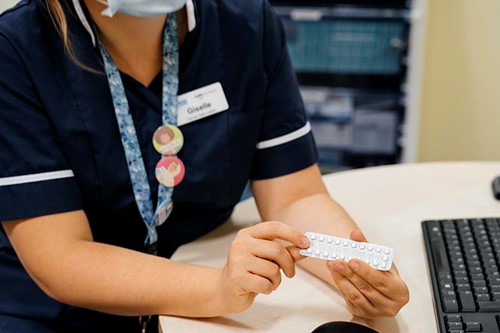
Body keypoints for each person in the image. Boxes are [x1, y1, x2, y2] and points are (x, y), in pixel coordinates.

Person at [0, 0, 409, 332]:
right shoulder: (17, 48)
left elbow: (294, 196)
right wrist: (216, 288)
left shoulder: (246, 24)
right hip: (58, 315)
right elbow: (62, 258)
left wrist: (356, 268)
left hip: (206, 298)